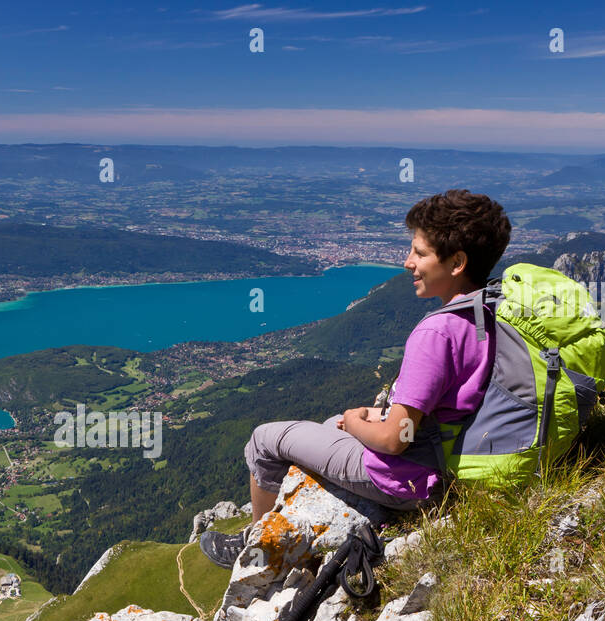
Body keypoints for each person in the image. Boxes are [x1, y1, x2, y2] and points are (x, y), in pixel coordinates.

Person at [200, 189, 513, 568]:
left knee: (265, 440)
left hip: (408, 478)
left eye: (420, 252)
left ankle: (256, 550)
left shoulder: (437, 333)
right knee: (329, 424)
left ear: (457, 262)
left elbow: (395, 441)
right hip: (447, 458)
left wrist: (355, 422)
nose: (407, 261)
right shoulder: (491, 310)